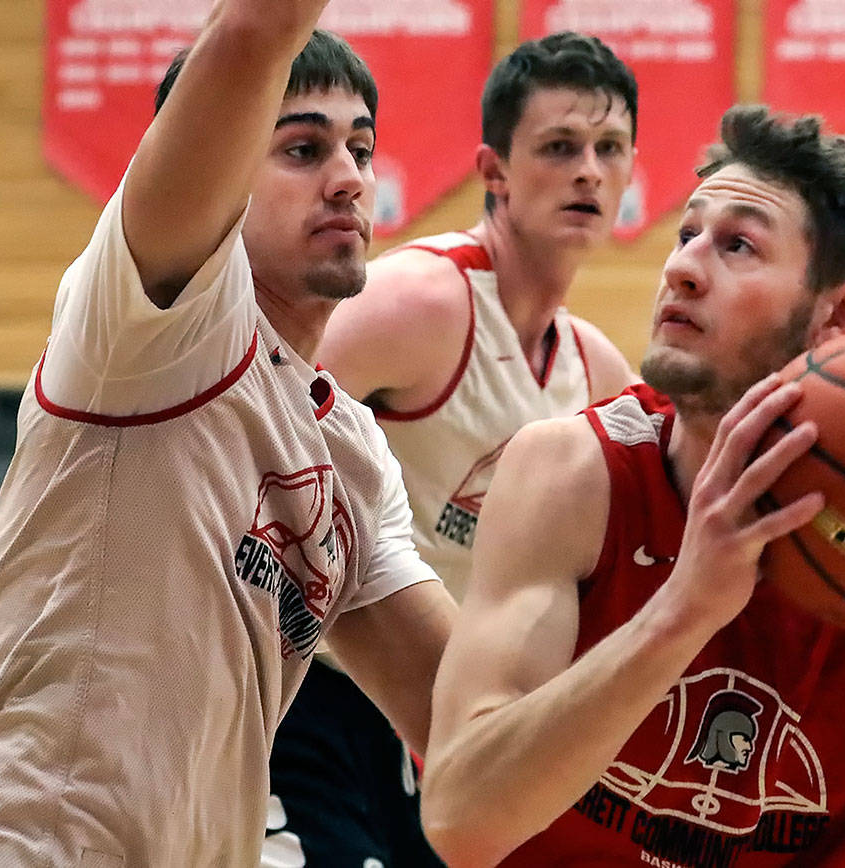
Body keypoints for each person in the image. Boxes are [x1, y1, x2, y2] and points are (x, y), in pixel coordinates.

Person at [421, 105, 845, 867]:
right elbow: (460, 820)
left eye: (737, 244)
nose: (681, 266)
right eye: (688, 235)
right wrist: (683, 612)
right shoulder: (573, 473)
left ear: (838, 315)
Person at [0, 2, 456, 864]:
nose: (350, 178)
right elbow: (255, 29)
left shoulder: (354, 460)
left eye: (360, 149)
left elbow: (469, 717)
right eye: (302, 148)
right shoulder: (159, 324)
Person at [261, 32, 639, 865]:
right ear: (494, 170)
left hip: (447, 717)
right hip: (318, 691)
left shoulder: (599, 371)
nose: (588, 170)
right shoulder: (417, 302)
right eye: (560, 147)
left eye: (609, 149)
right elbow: (249, 421)